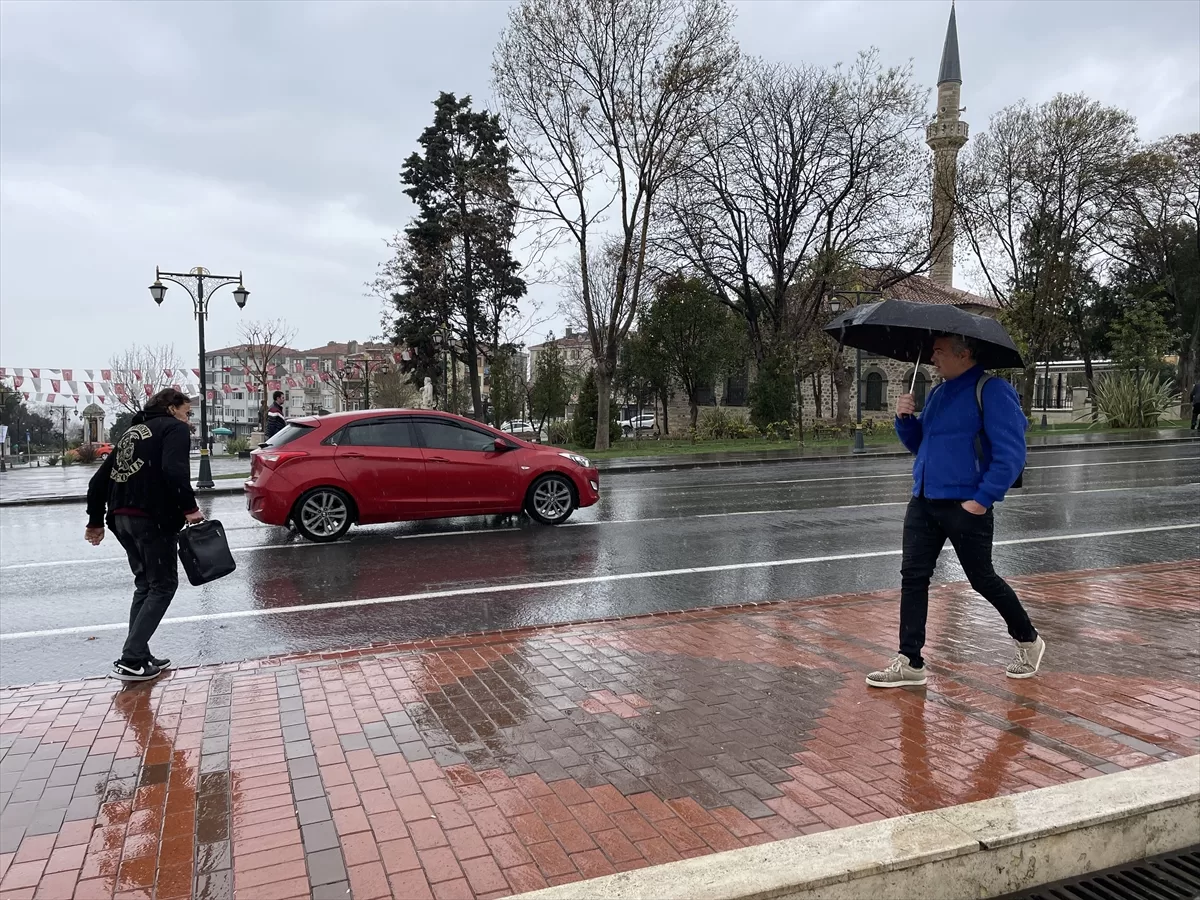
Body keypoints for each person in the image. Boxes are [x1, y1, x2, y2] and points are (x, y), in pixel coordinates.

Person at [867, 334, 1045, 688]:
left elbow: (1012, 455)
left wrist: (982, 500)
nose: (932, 356)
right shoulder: (938, 393)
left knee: (982, 579)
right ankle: (910, 660)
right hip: (923, 501)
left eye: (939, 350)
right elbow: (921, 445)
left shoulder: (992, 390)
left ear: (963, 354)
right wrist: (905, 420)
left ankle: (1028, 639)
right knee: (913, 577)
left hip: (966, 506)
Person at [85, 389, 204, 682]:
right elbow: (174, 471)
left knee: (145, 584)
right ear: (172, 408)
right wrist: (190, 509)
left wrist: (95, 521)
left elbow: (98, 479)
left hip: (121, 518)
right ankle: (131, 659)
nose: (189, 419)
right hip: (153, 517)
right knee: (163, 585)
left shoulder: (133, 431)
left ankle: (140, 653)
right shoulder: (174, 429)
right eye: (187, 412)